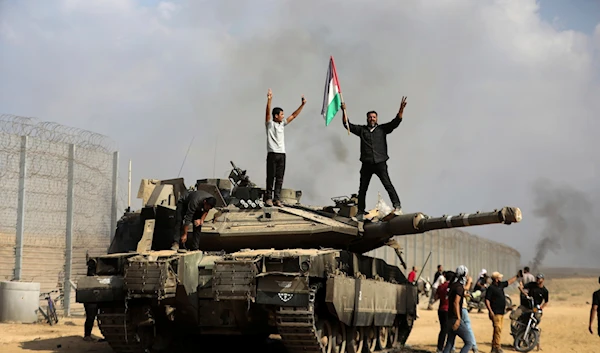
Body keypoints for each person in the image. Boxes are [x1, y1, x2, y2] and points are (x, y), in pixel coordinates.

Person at [340, 97, 407, 219]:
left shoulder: (382, 130)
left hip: (380, 163)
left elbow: (396, 122)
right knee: (363, 189)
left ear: (377, 119)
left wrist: (401, 110)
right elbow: (347, 125)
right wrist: (343, 111)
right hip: (367, 164)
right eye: (370, 117)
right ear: (367, 119)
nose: (372, 119)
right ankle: (360, 212)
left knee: (388, 185)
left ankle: (397, 206)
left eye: (374, 117)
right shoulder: (362, 130)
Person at [264, 88, 306, 207]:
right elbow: (267, 113)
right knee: (270, 177)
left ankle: (277, 199)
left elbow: (293, 115)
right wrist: (269, 100)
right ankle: (268, 198)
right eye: (281, 114)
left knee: (280, 178)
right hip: (272, 153)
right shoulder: (270, 124)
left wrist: (302, 105)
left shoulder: (282, 124)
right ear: (276, 116)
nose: (283, 116)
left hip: (282, 154)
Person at [442, 265, 475, 353]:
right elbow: (455, 302)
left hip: (449, 318)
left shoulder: (453, 285)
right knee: (469, 342)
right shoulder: (459, 287)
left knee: (449, 343)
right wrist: (458, 318)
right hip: (454, 318)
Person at [485, 271, 519, 353]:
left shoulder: (500, 285)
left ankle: (494, 347)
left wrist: (517, 276)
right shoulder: (491, 288)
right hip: (495, 312)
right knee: (498, 329)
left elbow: (509, 282)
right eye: (499, 277)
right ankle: (497, 347)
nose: (501, 278)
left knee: (498, 330)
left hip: (501, 312)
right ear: (496, 279)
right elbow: (487, 300)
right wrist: (490, 311)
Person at [435, 271, 454, 353]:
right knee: (450, 330)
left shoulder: (441, 286)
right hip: (449, 310)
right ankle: (448, 348)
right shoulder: (453, 287)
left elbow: (436, 297)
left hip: (441, 309)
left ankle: (440, 347)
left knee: (443, 329)